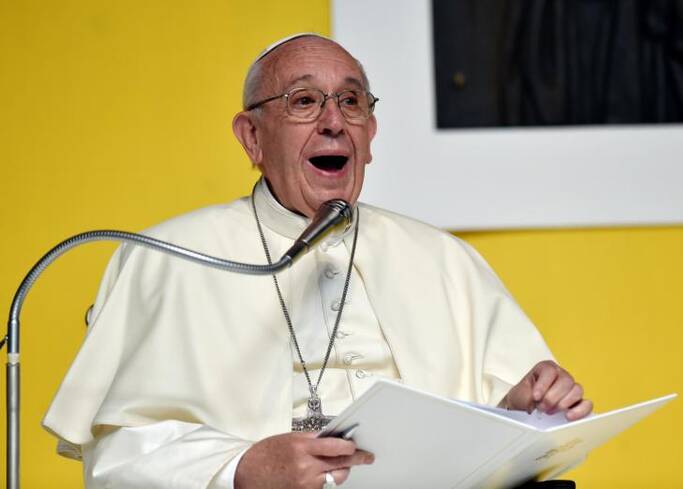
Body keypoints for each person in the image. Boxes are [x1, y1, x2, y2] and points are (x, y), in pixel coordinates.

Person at [43, 33, 593, 489]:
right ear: (252, 137)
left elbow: (495, 442)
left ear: (370, 135)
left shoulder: (443, 258)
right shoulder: (165, 259)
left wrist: (520, 410)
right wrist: (239, 470)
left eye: (351, 103)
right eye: (304, 102)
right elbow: (115, 459)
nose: (333, 121)